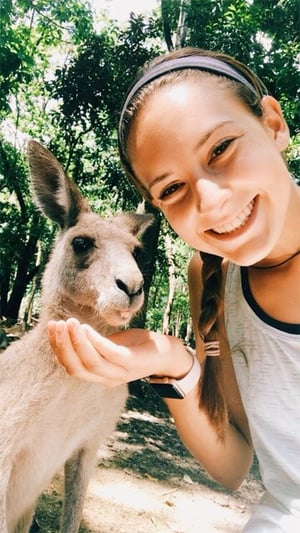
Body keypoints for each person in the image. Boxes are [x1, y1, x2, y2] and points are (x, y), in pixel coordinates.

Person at [48, 47, 300, 532]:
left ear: (272, 123)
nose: (210, 202)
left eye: (221, 149)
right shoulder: (211, 276)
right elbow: (234, 463)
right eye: (171, 189)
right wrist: (172, 363)